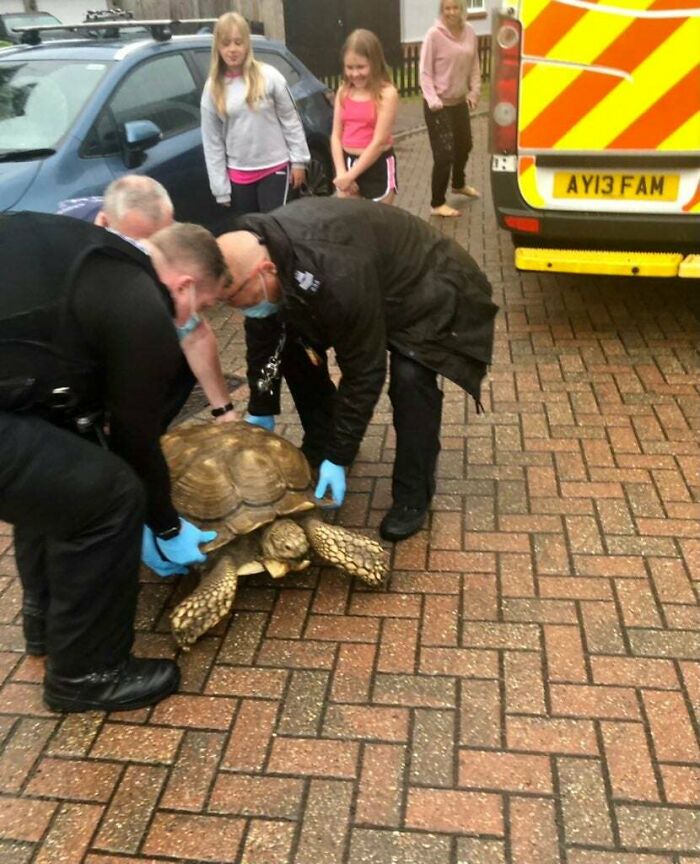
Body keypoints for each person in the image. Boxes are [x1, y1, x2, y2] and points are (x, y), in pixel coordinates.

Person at [0, 213, 230, 713]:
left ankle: (45, 623)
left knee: (57, 473)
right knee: (109, 496)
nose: (196, 319)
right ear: (184, 286)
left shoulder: (100, 252)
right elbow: (135, 439)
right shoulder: (140, 303)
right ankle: (87, 675)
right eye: (204, 306)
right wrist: (166, 525)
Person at [217, 197, 497, 542]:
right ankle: (321, 438)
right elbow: (264, 339)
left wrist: (341, 454)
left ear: (266, 271)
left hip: (427, 283)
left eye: (236, 300)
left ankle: (412, 495)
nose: (236, 309)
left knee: (411, 380)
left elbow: (364, 371)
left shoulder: (336, 273)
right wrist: (261, 405)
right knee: (294, 346)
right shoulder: (267, 250)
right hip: (369, 278)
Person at [58, 176, 237, 423]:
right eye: (143, 245)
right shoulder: (69, 253)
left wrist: (224, 410)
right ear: (105, 223)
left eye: (162, 236)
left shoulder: (162, 233)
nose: (156, 252)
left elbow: (194, 333)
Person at [200, 11, 310, 218]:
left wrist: (299, 161)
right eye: (226, 43)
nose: (232, 49)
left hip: (275, 169)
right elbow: (212, 142)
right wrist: (220, 188)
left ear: (247, 44)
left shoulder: (270, 77)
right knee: (250, 233)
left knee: (275, 229)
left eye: (238, 42)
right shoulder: (212, 89)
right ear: (218, 47)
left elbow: (291, 120)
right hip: (239, 176)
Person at [420, 0, 481, 218]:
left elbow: (474, 65)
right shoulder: (434, 36)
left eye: (455, 8)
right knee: (444, 154)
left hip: (459, 102)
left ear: (462, 9)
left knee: (465, 145)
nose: (451, 12)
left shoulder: (470, 32)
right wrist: (433, 99)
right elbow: (425, 72)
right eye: (447, 8)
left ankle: (458, 184)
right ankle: (437, 203)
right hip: (438, 105)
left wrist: (474, 92)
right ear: (442, 10)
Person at [331, 29, 399, 204]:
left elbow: (379, 142)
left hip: (377, 167)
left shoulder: (387, 94)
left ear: (374, 63)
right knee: (350, 218)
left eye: (361, 67)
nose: (355, 74)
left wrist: (351, 175)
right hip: (348, 163)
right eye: (349, 68)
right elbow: (336, 135)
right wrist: (342, 173)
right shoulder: (343, 92)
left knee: (378, 219)